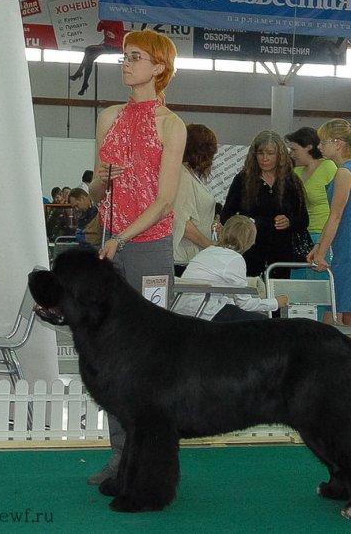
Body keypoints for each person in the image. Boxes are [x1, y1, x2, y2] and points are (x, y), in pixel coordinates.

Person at [86, 29, 187, 486]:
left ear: (159, 68)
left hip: (147, 247)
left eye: (136, 57)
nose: (125, 63)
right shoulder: (108, 117)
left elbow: (165, 200)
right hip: (111, 243)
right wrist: (103, 179)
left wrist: (121, 238)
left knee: (150, 358)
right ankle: (119, 457)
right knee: (111, 355)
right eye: (125, 56)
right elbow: (94, 194)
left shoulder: (172, 125)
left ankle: (152, 459)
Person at [220, 130, 309, 278]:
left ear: (280, 155)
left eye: (270, 153)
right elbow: (226, 217)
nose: (264, 159)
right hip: (249, 253)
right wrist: (248, 223)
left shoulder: (292, 182)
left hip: (281, 256)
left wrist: (290, 221)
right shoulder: (242, 180)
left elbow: (304, 219)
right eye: (260, 153)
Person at [306, 119, 351, 326]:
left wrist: (322, 251)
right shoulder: (345, 170)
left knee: (339, 309)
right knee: (339, 306)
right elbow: (333, 217)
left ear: (337, 143)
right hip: (347, 245)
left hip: (350, 247)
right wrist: (319, 246)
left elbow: (336, 216)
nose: (319, 147)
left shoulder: (344, 173)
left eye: (323, 142)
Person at [174, 215, 288, 321]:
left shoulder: (207, 251)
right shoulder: (235, 259)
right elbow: (245, 304)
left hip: (182, 308)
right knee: (263, 323)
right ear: (251, 240)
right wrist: (275, 303)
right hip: (203, 311)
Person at [284, 126, 336, 281]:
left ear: (309, 147)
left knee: (319, 289)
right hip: (301, 237)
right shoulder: (296, 173)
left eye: (294, 150)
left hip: (322, 236)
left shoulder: (328, 167)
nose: (292, 155)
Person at [172, 124, 219, 273]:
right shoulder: (183, 176)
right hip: (183, 260)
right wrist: (211, 246)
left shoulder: (188, 175)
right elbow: (182, 223)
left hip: (192, 257)